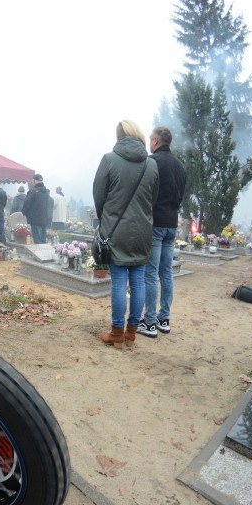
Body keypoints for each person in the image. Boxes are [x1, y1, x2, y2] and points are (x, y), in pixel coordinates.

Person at [92, 120, 159, 349]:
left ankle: (117, 333)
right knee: (138, 282)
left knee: (119, 283)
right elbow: (153, 199)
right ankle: (132, 333)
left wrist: (107, 219)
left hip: (115, 231)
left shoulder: (109, 159)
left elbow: (98, 196)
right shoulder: (151, 165)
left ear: (119, 136)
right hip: (142, 231)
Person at [139, 127, 186, 339]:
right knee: (166, 273)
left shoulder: (152, 162)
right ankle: (163, 319)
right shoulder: (180, 166)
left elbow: (146, 192)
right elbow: (180, 196)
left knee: (150, 273)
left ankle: (149, 322)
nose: (150, 142)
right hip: (171, 224)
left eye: (151, 139)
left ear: (156, 141)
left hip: (156, 223)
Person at [22, 174, 51, 244]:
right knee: (43, 241)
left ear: (34, 181)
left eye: (32, 180)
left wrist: (23, 213)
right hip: (44, 219)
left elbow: (26, 204)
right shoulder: (46, 193)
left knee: (37, 241)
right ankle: (44, 255)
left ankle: (39, 255)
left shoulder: (32, 191)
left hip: (35, 219)